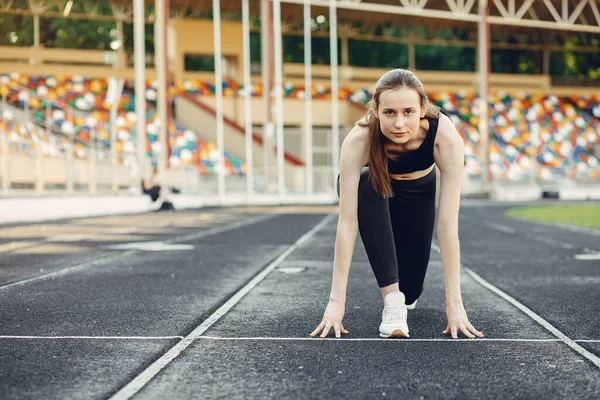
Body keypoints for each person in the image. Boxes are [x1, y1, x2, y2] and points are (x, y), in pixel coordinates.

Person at [309, 69, 484, 339]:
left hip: (418, 192)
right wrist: (335, 305)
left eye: (408, 112)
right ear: (376, 111)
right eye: (390, 112)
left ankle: (403, 296)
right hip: (376, 193)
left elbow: (448, 227)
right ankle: (392, 304)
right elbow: (346, 225)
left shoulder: (445, 138)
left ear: (423, 109)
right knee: (365, 183)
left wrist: (455, 307)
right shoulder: (359, 139)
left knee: (411, 290)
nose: (399, 123)